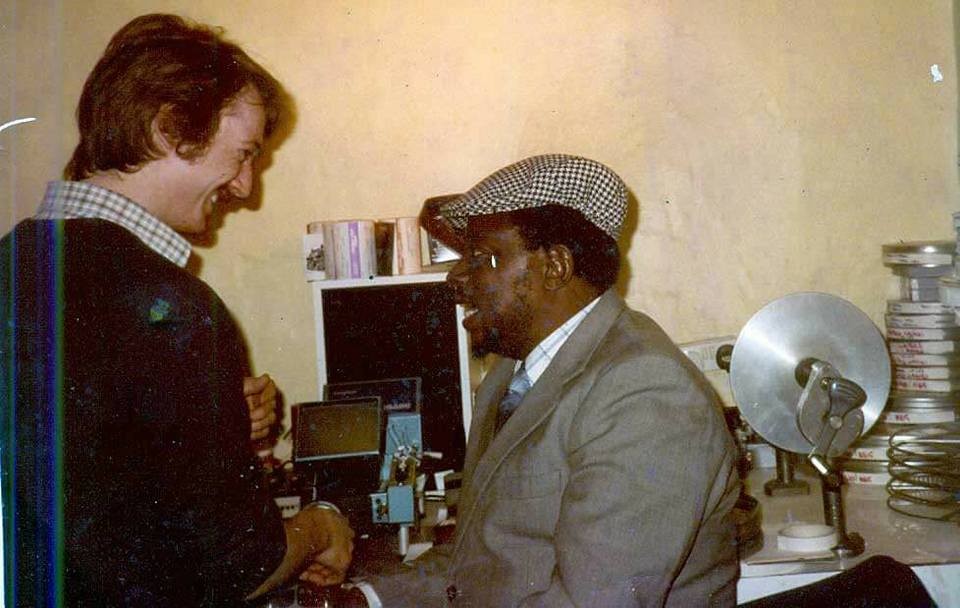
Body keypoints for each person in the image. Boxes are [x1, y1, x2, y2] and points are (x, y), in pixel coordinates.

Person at [0, 14, 353, 606]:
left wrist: (217, 417)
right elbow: (242, 567)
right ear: (168, 129)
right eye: (243, 155)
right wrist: (322, 526)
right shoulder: (172, 306)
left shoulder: (14, 265)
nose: (245, 188)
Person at [343, 154, 741, 607]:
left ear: (554, 266)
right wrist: (367, 598)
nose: (456, 277)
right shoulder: (510, 376)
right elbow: (480, 559)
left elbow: (596, 601)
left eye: (480, 258)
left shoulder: (643, 392)